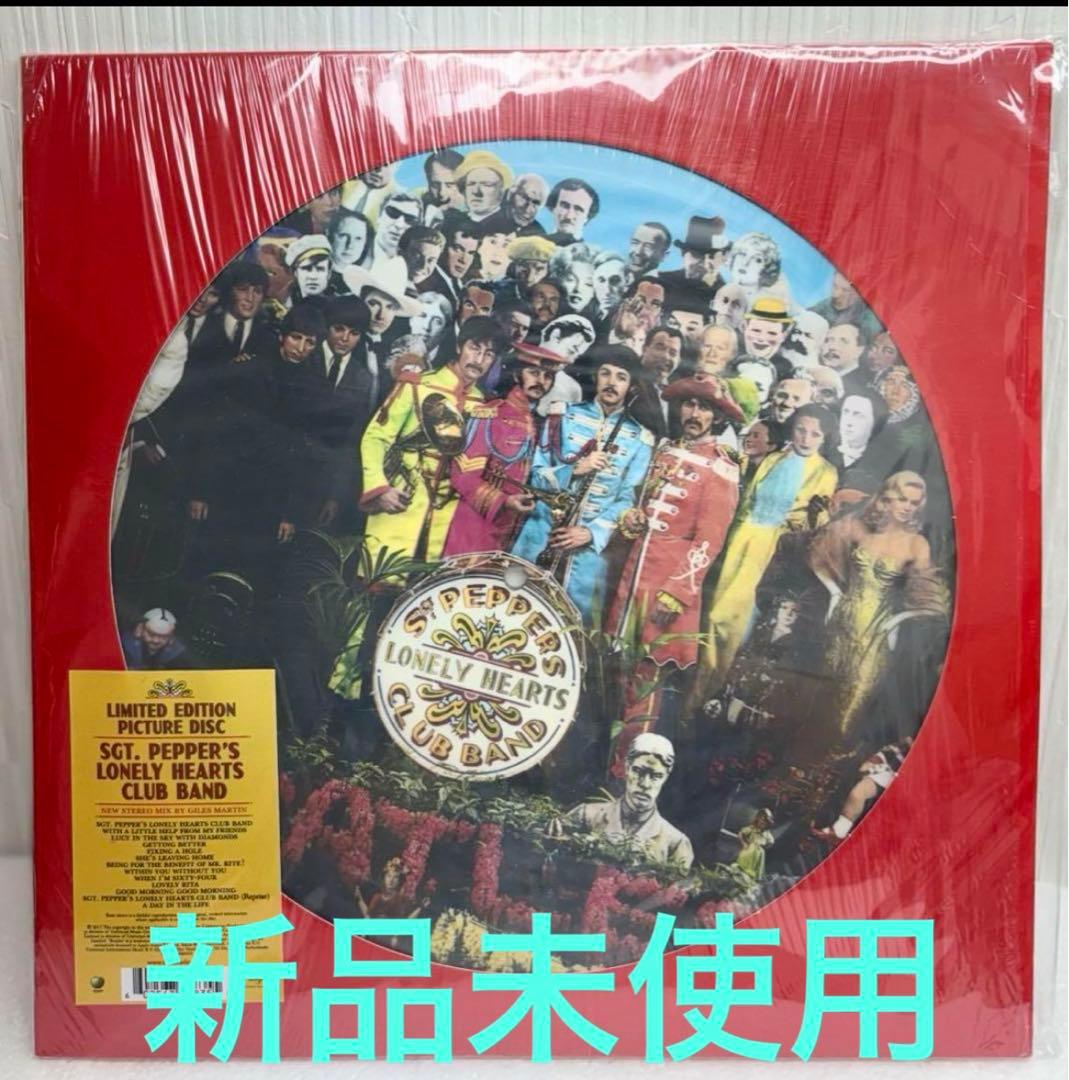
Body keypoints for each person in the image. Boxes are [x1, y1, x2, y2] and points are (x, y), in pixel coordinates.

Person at [608, 377, 744, 766]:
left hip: (668, 587)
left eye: (704, 408)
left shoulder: (721, 466)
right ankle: (609, 767)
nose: (694, 414)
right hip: (634, 576)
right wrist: (631, 518)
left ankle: (628, 773)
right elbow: (641, 504)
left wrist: (677, 593)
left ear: (717, 417)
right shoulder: (665, 451)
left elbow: (709, 541)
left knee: (647, 684)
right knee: (619, 674)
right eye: (689, 405)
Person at [693, 404, 839, 699]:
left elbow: (816, 523)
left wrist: (811, 518)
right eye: (801, 430)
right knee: (714, 614)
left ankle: (715, 694)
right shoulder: (772, 458)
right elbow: (747, 501)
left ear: (825, 438)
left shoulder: (826, 472)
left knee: (737, 621)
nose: (806, 439)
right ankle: (696, 691)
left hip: (774, 548)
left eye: (815, 434)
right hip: (741, 541)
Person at [512, 345, 654, 625]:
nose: (612, 383)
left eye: (621, 377)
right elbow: (536, 476)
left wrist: (590, 532)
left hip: (588, 553)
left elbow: (627, 500)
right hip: (540, 533)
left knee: (571, 626)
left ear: (631, 386)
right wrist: (577, 469)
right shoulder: (562, 416)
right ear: (596, 377)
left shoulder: (640, 439)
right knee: (516, 607)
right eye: (605, 373)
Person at [808, 471, 947, 742]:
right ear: (886, 498)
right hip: (840, 622)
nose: (908, 507)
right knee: (823, 695)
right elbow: (819, 553)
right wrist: (834, 594)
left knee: (852, 706)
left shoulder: (917, 543)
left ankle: (835, 761)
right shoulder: (859, 527)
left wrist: (898, 620)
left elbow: (929, 599)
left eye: (915, 503)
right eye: (903, 499)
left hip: (877, 633)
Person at [443, 341, 566, 556]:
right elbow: (463, 476)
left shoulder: (542, 424)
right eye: (534, 373)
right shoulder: (490, 414)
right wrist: (504, 501)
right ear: (517, 374)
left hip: (510, 533)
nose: (541, 381)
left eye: (548, 376)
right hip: (474, 527)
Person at [557, 733, 693, 871]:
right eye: (638, 771)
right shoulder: (585, 816)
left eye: (656, 776)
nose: (645, 784)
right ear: (627, 768)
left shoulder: (676, 844)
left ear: (666, 778)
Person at [657, 214, 730, 302]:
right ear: (683, 253)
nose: (704, 263)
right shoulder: (661, 281)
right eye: (698, 255)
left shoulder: (726, 295)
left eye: (711, 257)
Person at [810, 270, 882, 342]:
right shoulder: (827, 303)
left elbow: (864, 341)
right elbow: (807, 316)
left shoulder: (871, 316)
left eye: (845, 290)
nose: (836, 294)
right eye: (835, 286)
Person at [455, 149, 513, 222]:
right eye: (471, 184)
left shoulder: (509, 223)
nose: (476, 191)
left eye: (486, 185)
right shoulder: (456, 221)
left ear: (501, 192)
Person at [121, 608, 189, 670]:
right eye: (151, 634)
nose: (156, 641)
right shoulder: (122, 645)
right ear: (140, 629)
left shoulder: (179, 656)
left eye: (164, 636)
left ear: (171, 637)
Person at [819, 322, 869, 396]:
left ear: (859, 351)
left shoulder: (861, 389)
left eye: (843, 342)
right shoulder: (817, 376)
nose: (832, 347)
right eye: (827, 340)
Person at [545, 178, 599, 244]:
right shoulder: (535, 243)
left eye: (578, 209)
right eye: (564, 206)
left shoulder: (591, 250)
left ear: (587, 217)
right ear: (553, 208)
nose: (569, 216)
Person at [735, 809, 774, 880]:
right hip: (749, 850)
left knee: (756, 866)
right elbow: (740, 834)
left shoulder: (767, 834)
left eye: (765, 822)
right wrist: (744, 843)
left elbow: (771, 842)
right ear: (757, 819)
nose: (762, 822)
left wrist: (764, 847)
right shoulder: (752, 829)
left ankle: (754, 877)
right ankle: (741, 872)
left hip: (758, 853)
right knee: (743, 866)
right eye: (761, 820)